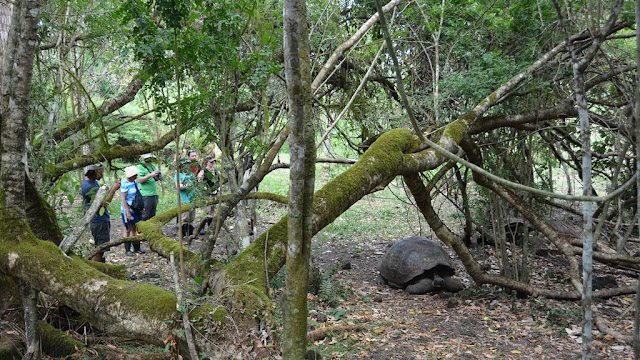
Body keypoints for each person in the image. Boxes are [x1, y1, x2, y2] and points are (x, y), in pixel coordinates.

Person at [81, 164, 120, 263]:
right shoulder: (89, 186)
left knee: (100, 247)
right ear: (94, 172)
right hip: (99, 221)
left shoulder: (92, 183)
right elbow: (104, 204)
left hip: (99, 220)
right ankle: (93, 268)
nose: (102, 175)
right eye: (101, 173)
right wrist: (113, 190)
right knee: (101, 249)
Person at [120, 166, 145, 256]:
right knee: (128, 229)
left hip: (136, 208)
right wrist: (128, 212)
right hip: (128, 209)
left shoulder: (135, 182)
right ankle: (127, 249)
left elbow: (138, 194)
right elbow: (123, 199)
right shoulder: (124, 183)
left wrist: (141, 207)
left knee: (135, 228)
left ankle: (137, 247)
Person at [197, 155, 220, 232]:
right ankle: (202, 227)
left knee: (212, 210)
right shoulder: (203, 172)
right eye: (211, 162)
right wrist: (205, 188)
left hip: (215, 193)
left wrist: (219, 189)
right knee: (207, 210)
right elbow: (199, 181)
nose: (213, 163)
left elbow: (220, 181)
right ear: (207, 162)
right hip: (207, 193)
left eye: (213, 162)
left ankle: (210, 228)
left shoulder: (216, 171)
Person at [136, 153, 161, 221]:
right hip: (145, 194)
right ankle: (141, 230)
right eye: (148, 158)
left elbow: (155, 179)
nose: (150, 159)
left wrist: (157, 176)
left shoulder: (152, 166)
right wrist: (150, 175)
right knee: (145, 215)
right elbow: (139, 180)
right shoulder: (139, 167)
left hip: (154, 194)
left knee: (152, 215)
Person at [175, 158, 196, 239]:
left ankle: (190, 234)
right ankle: (183, 235)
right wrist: (188, 185)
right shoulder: (178, 175)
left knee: (191, 217)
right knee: (184, 218)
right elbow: (178, 186)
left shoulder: (191, 174)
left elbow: (195, 183)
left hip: (192, 198)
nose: (186, 166)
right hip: (183, 199)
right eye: (185, 164)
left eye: (187, 164)